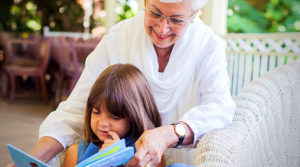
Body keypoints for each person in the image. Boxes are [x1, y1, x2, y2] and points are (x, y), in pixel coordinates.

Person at [31, 0, 236, 166]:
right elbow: (76, 109)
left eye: (176, 20)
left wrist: (171, 133)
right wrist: (31, 161)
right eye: (155, 13)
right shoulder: (120, 37)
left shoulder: (208, 46)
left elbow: (219, 108)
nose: (162, 28)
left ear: (194, 15)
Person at [63, 64, 163, 167]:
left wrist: (117, 159)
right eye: (96, 112)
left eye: (114, 117)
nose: (102, 123)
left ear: (134, 117)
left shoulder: (150, 153)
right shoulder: (75, 153)